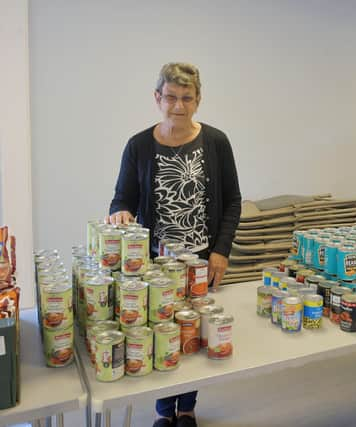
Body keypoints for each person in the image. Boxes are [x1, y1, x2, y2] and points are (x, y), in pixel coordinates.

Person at [107, 62, 241, 427]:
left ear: (198, 100)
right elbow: (121, 200)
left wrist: (221, 251)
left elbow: (232, 201)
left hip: (200, 261)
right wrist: (119, 215)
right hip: (154, 267)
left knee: (194, 333)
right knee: (161, 331)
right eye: (171, 97)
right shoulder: (138, 145)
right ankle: (164, 411)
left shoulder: (215, 142)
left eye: (187, 98)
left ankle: (187, 409)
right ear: (157, 98)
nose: (178, 106)